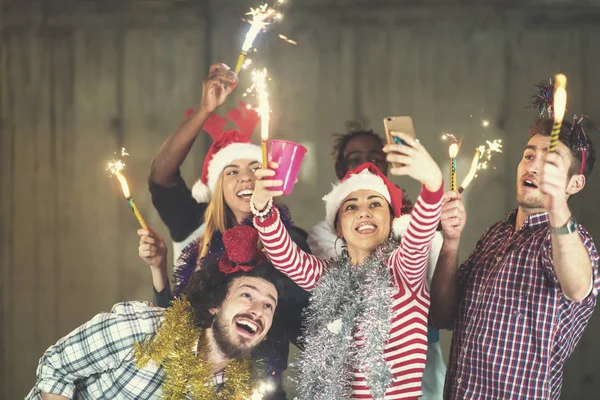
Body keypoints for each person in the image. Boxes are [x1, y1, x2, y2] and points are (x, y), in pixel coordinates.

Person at [145, 63, 310, 399]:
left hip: (258, 387)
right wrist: (206, 110)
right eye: (232, 171)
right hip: (190, 381)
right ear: (217, 186)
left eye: (255, 167)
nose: (246, 177)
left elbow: (302, 323)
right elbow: (161, 177)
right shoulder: (195, 226)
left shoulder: (290, 242)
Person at [251, 130, 444, 399]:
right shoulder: (328, 276)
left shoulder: (403, 269)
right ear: (339, 228)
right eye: (351, 207)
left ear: (391, 221)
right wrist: (262, 206)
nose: (364, 211)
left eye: (375, 204)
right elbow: (284, 255)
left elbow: (420, 234)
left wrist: (434, 186)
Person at [430, 117, 599, 399]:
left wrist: (556, 204)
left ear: (574, 184)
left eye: (550, 162)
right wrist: (450, 242)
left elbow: (578, 288)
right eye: (529, 155)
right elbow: (442, 315)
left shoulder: (571, 241)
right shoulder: (495, 234)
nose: (533, 166)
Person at [26, 226, 283, 400]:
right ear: (215, 304)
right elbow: (55, 368)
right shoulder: (141, 329)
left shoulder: (240, 391)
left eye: (268, 305)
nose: (257, 310)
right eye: (246, 295)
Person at [307, 125, 446, 399]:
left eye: (375, 204)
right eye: (356, 159)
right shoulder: (328, 258)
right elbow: (293, 260)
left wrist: (433, 184)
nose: (367, 165)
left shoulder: (406, 256)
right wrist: (264, 211)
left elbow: (421, 240)